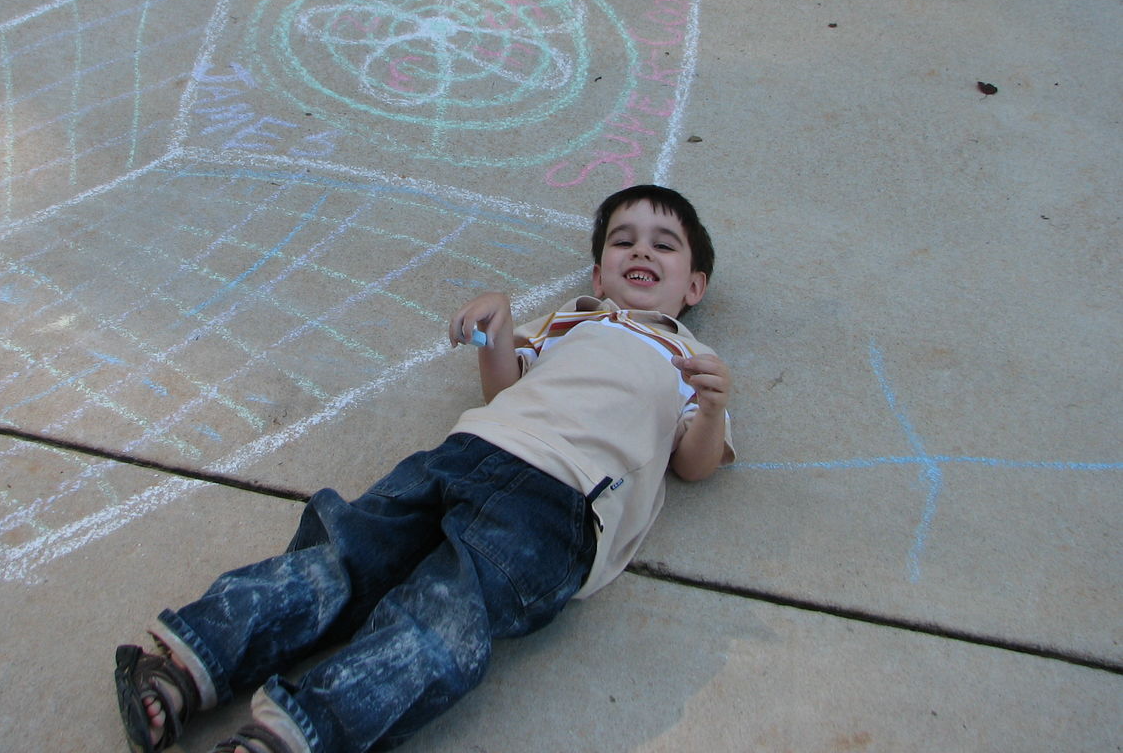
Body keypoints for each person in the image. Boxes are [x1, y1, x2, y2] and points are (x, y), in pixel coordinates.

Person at [114, 183, 735, 753]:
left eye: (664, 244)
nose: (640, 251)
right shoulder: (570, 320)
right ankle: (190, 660)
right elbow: (504, 386)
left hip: (561, 503)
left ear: (694, 286)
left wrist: (709, 410)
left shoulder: (691, 359)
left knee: (445, 616)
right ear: (599, 273)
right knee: (346, 552)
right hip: (469, 452)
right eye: (621, 240)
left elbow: (694, 464)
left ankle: (300, 735)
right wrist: (498, 326)